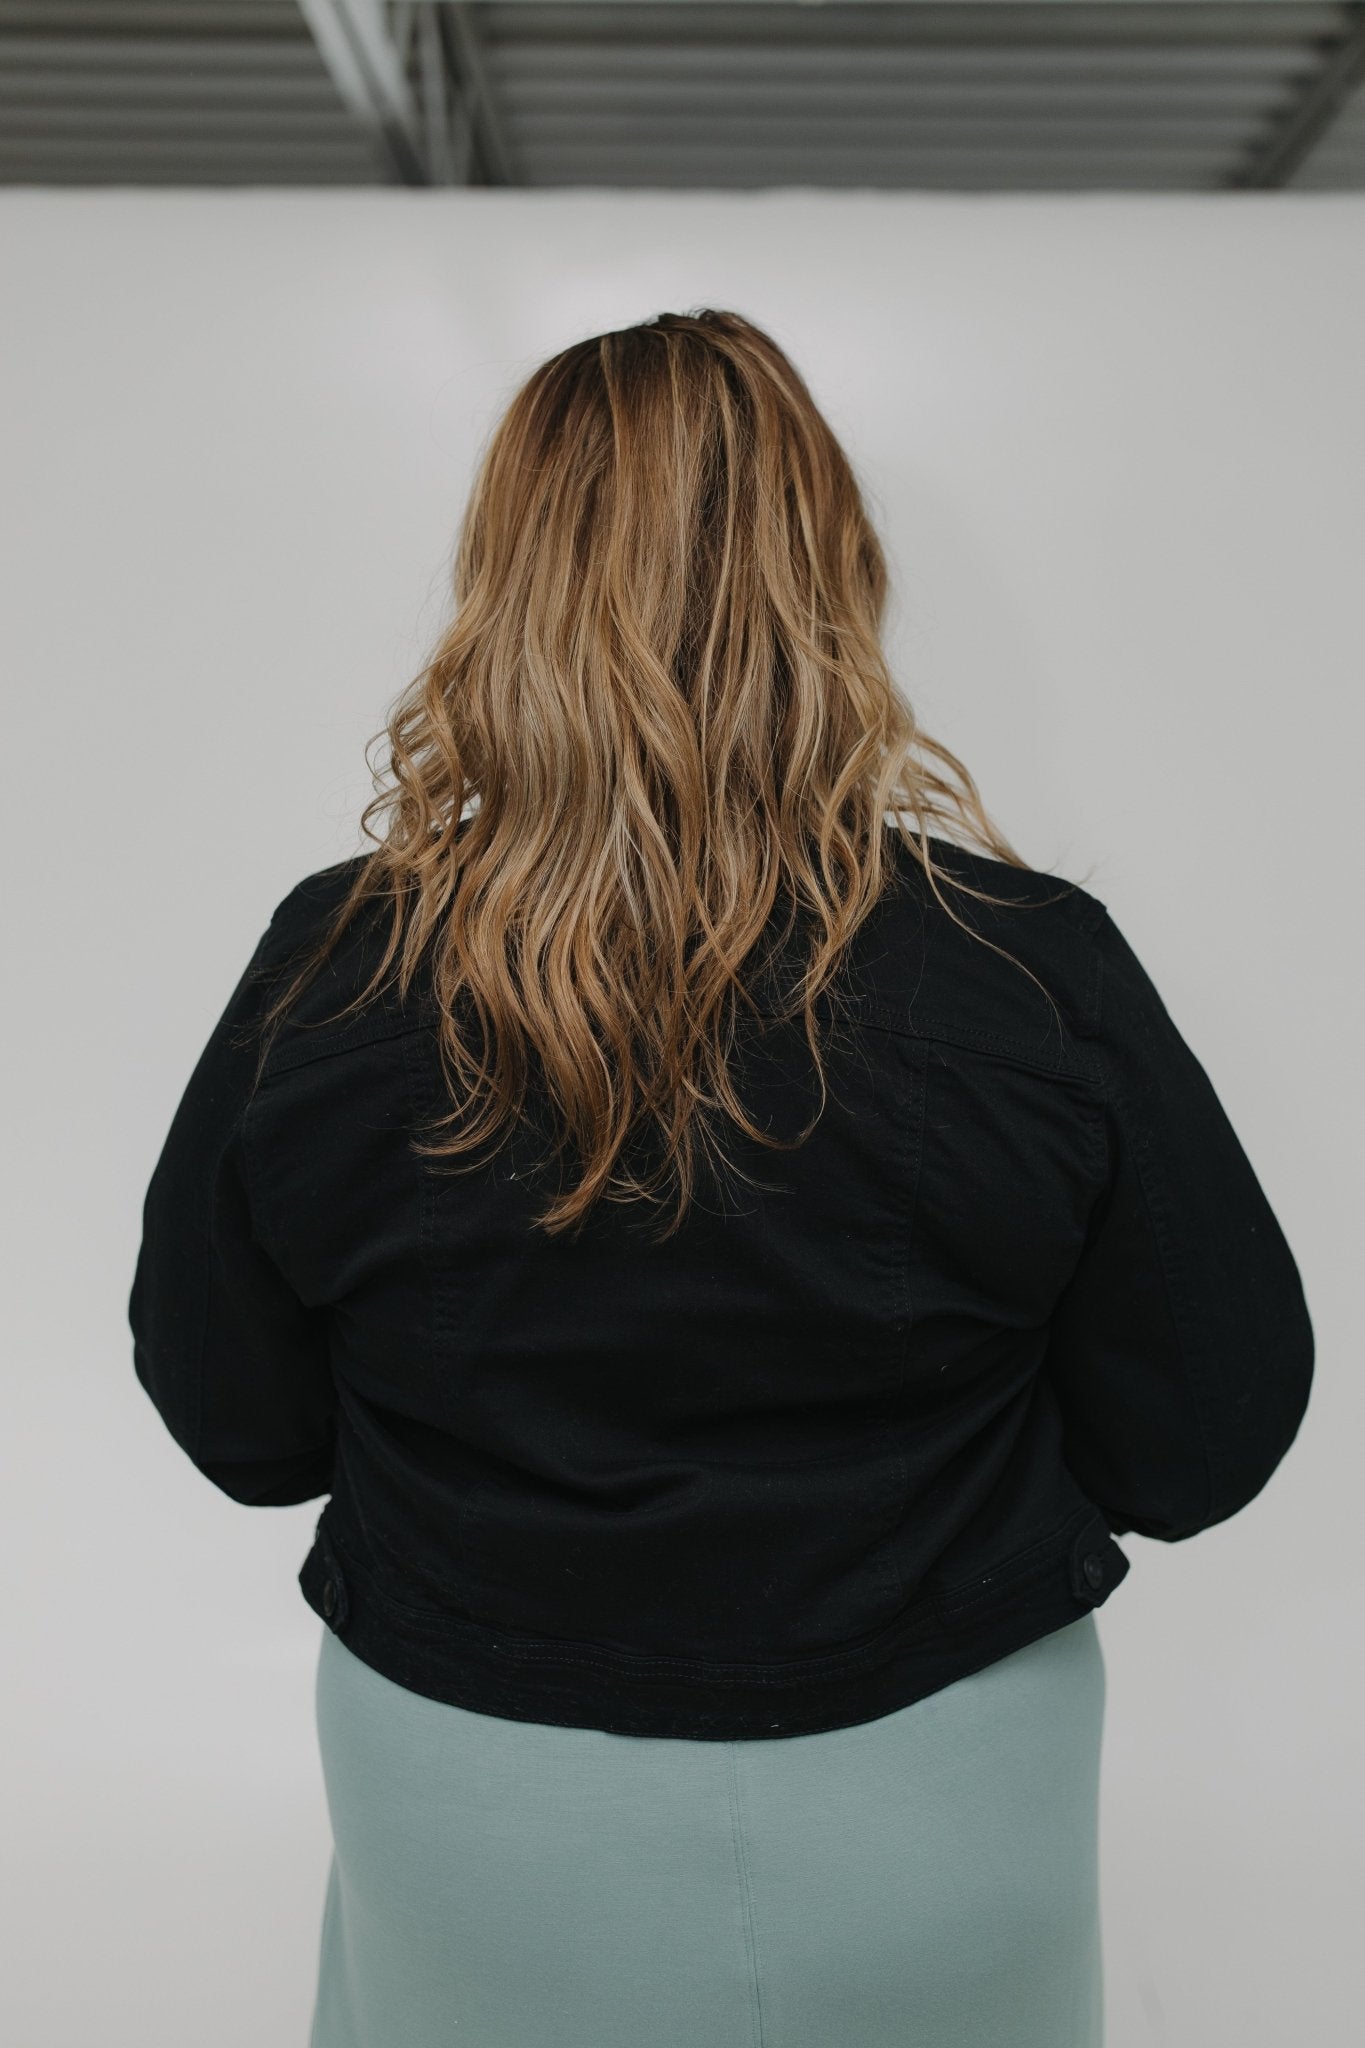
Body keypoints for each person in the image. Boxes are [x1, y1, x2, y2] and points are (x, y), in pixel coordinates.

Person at [128, 309, 1314, 2048]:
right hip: (942, 1783)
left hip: (475, 1801)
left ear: (506, 579)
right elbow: (1206, 1435)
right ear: (831, 575)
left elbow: (240, 1424)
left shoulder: (336, 964)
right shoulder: (1026, 964)